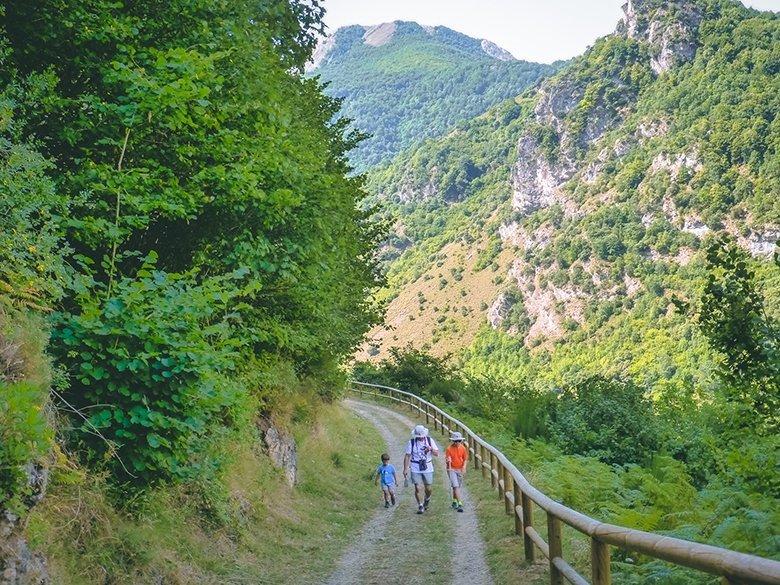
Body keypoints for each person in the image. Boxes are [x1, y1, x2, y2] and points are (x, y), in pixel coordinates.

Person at [403, 424, 439, 514]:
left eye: (422, 436)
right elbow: (407, 456)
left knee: (429, 488)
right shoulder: (411, 442)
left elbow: (437, 453)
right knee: (418, 488)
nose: (421, 438)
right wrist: (405, 468)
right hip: (415, 466)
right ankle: (420, 505)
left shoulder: (430, 441)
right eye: (419, 436)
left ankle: (427, 499)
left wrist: (430, 449)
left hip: (427, 466)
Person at [445, 431, 469, 512]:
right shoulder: (449, 449)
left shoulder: (463, 448)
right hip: (451, 469)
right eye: (455, 441)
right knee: (455, 486)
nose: (457, 442)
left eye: (459, 441)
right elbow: (447, 460)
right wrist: (448, 461)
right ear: (453, 441)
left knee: (457, 486)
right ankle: (460, 503)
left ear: (461, 441)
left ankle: (454, 501)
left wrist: (464, 467)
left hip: (460, 469)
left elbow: (465, 459)